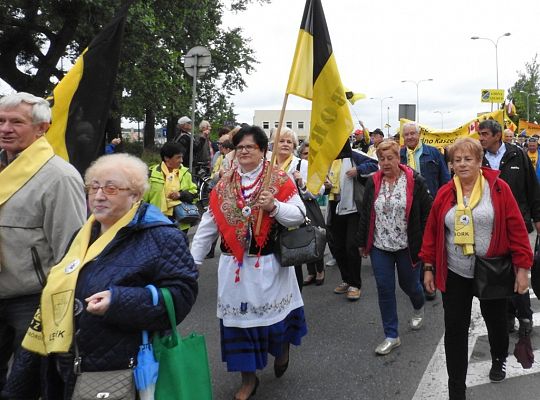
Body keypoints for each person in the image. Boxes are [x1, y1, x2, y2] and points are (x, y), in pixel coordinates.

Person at [5, 153, 199, 399]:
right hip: (64, 360)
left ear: (135, 195)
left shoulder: (162, 236)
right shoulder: (83, 233)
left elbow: (181, 295)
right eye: (94, 187)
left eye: (111, 188)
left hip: (120, 365)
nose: (98, 196)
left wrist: (118, 301)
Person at [190, 125, 307, 400]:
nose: (243, 151)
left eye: (249, 147)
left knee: (274, 321)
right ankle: (248, 379)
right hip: (234, 269)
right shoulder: (223, 185)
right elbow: (208, 224)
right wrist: (193, 262)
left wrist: (274, 208)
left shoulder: (278, 180)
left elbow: (299, 216)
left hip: (270, 267)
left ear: (263, 151)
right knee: (238, 324)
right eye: (239, 147)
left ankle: (282, 350)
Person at [420, 137, 532, 399]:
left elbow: (516, 230)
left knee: (496, 322)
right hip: (456, 271)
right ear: (451, 164)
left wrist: (523, 268)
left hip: (491, 269)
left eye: (468, 159)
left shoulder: (499, 189)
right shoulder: (445, 193)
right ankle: (456, 387)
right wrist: (428, 266)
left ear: (480, 161)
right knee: (455, 329)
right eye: (456, 160)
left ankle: (497, 358)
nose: (462, 164)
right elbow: (432, 231)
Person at [0, 92, 86, 397]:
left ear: (42, 128)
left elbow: (71, 250)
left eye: (16, 122)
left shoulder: (59, 177)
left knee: (27, 386)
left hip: (32, 299)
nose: (5, 128)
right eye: (1, 121)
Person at [357, 140, 432, 355]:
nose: (386, 162)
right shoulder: (373, 182)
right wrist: (362, 242)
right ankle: (391, 335)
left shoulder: (415, 181)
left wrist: (426, 244)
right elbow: (366, 213)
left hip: (407, 245)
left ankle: (418, 307)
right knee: (385, 288)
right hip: (381, 245)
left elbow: (426, 214)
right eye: (382, 159)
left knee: (410, 285)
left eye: (390, 158)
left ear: (399, 158)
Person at [479, 119, 540, 336]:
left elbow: (532, 188)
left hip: (518, 224)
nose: (481, 138)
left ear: (497, 135)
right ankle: (507, 317)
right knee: (498, 275)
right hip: (489, 228)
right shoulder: (479, 158)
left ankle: (525, 316)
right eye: (480, 134)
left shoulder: (517, 155)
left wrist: (537, 218)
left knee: (519, 270)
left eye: (485, 134)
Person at [400, 121, 450, 300]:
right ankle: (419, 282)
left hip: (431, 206)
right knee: (414, 243)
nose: (410, 137)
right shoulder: (399, 155)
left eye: (413, 133)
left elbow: (445, 179)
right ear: (403, 137)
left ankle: (430, 282)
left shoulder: (434, 153)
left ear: (419, 134)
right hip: (407, 207)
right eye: (407, 134)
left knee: (430, 243)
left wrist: (444, 203)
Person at [274, 128, 326, 288]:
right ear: (273, 143)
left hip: (293, 218)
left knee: (293, 259)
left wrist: (302, 183)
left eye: (289, 142)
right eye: (281, 140)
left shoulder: (301, 164)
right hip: (271, 219)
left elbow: (319, 189)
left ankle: (295, 304)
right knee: (274, 262)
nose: (285, 144)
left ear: (294, 146)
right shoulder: (267, 165)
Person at [327, 143, 379, 301]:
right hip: (335, 205)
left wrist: (358, 170)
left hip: (353, 208)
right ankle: (346, 279)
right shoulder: (327, 157)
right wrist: (327, 185)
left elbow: (374, 165)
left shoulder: (353, 154)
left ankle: (355, 284)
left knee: (351, 246)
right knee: (337, 246)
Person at [143, 142, 198, 237]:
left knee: (179, 249)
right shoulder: (152, 174)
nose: (181, 160)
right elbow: (142, 200)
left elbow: (194, 195)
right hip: (157, 221)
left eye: (182, 157)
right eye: (178, 157)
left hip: (181, 221)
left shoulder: (185, 173)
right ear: (166, 158)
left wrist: (180, 195)